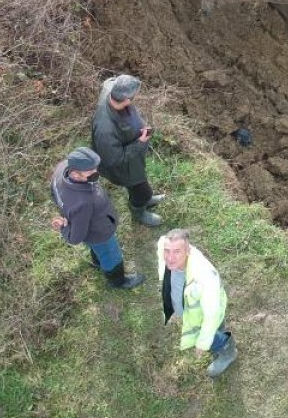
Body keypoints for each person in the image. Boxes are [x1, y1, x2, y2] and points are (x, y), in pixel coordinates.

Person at [49, 146, 145, 290]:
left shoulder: (61, 169)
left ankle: (98, 262)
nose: (96, 174)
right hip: (100, 234)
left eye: (96, 168)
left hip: (89, 229)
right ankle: (118, 281)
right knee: (112, 256)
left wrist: (66, 216)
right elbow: (75, 238)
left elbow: (55, 195)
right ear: (75, 175)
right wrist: (64, 227)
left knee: (97, 249)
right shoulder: (83, 202)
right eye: (91, 173)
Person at [158, 228, 239, 377]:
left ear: (188, 250)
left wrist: (203, 343)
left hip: (207, 316)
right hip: (192, 314)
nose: (170, 258)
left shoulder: (205, 278)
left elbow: (212, 314)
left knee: (214, 335)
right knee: (211, 332)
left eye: (177, 252)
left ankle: (228, 352)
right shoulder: (166, 254)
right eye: (167, 251)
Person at [92, 73, 164, 227]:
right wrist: (139, 143)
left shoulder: (112, 89)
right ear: (126, 100)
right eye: (133, 97)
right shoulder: (105, 128)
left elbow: (108, 81)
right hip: (122, 167)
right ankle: (138, 210)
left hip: (132, 156)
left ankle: (146, 199)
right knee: (140, 189)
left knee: (141, 180)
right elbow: (113, 159)